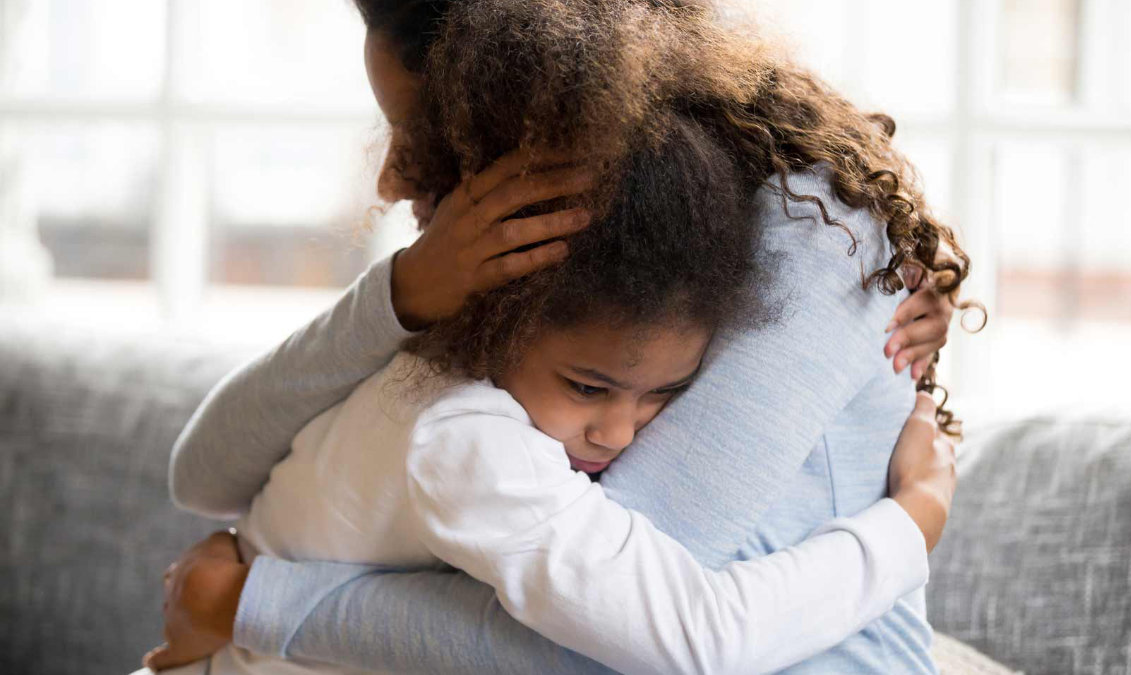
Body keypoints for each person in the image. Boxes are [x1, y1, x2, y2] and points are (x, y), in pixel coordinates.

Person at [147, 0, 969, 672]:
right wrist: (399, 295)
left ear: (528, 90)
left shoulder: (813, 228)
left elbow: (620, 644)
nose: (392, 177)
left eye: (417, 127)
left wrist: (253, 601)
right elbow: (204, 472)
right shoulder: (546, 273)